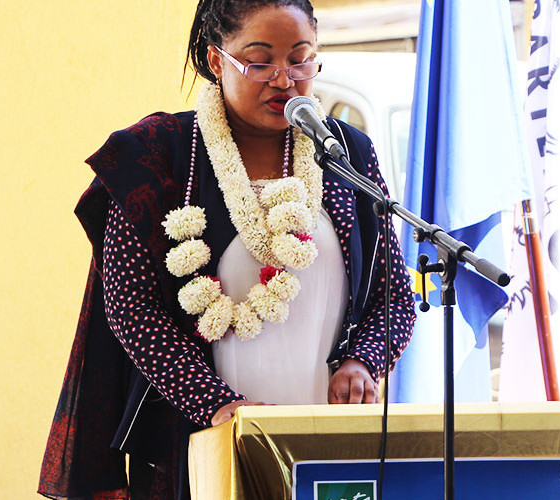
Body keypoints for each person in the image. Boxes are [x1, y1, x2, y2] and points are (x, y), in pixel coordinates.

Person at [39, 1, 415, 498]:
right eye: (260, 61)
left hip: (328, 447)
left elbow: (394, 297)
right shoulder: (159, 152)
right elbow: (132, 309)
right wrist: (219, 406)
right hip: (198, 440)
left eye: (301, 59)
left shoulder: (346, 153)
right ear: (217, 61)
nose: (284, 79)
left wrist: (363, 362)